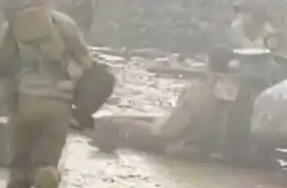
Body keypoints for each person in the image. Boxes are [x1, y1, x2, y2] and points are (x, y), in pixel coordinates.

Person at [0, 0, 93, 188]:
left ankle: (29, 178)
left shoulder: (13, 25)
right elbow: (86, 62)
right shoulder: (65, 24)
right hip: (59, 105)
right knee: (47, 158)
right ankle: (45, 173)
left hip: (25, 102)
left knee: (19, 167)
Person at [91, 46, 236, 158]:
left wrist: (155, 126)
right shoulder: (230, 91)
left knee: (116, 124)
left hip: (178, 146)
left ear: (208, 64)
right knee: (133, 119)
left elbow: (169, 131)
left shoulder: (199, 92)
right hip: (201, 145)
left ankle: (101, 138)